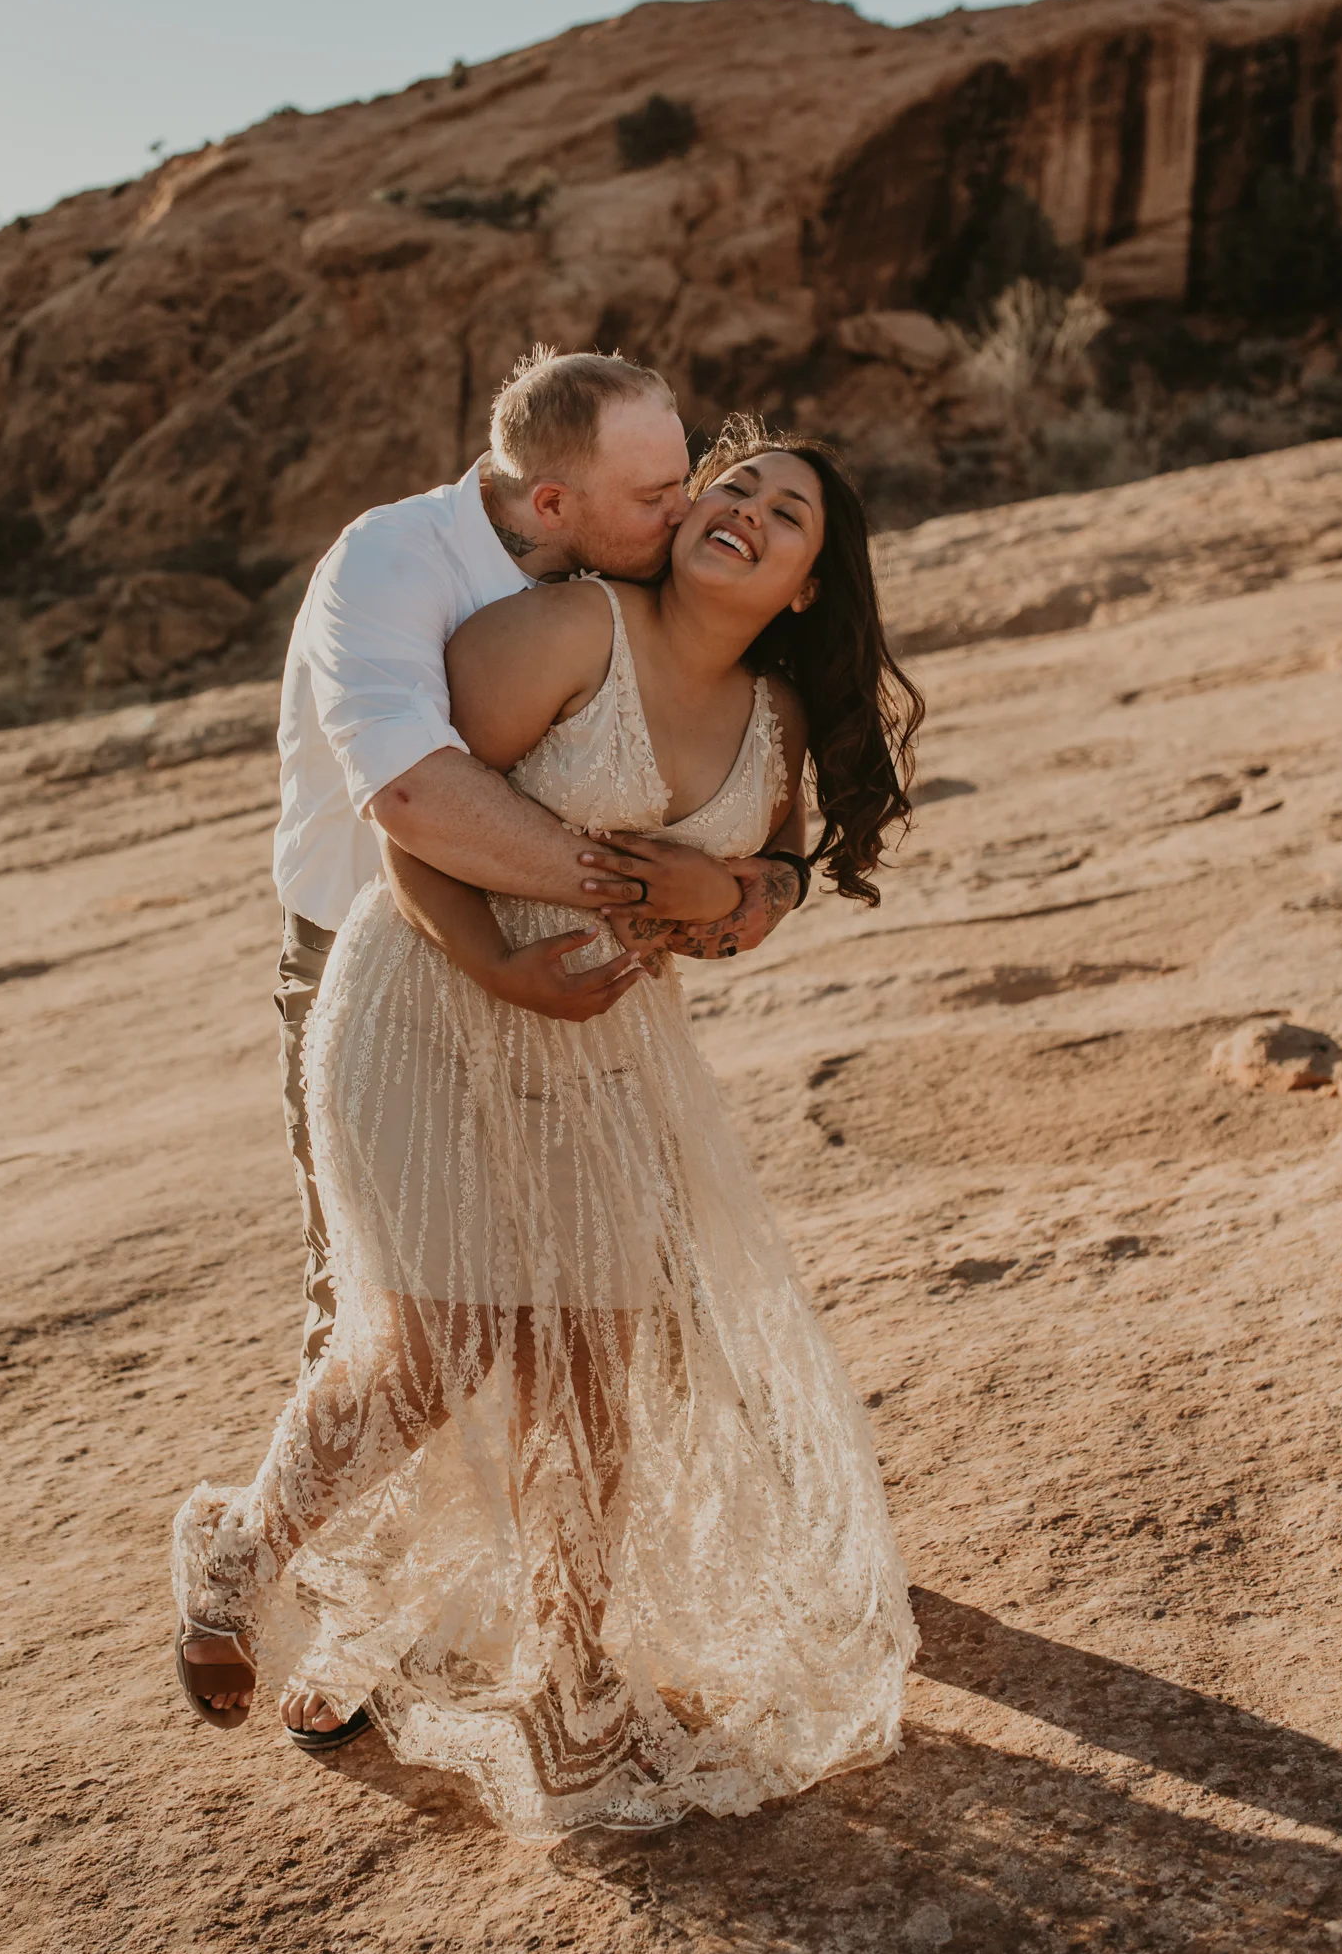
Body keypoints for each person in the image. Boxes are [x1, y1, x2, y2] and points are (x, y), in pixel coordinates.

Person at [172, 409, 924, 1837]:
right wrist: (503, 962)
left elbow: (764, 884)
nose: (746, 513)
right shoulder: (572, 628)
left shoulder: (772, 722)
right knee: (439, 1341)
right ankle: (240, 1550)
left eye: (786, 516)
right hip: (428, 1000)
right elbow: (411, 817)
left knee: (589, 1372)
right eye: (733, 486)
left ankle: (569, 1685)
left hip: (604, 1050)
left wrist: (731, 897)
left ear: (807, 589)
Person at [243, 349, 811, 1750]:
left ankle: (576, 1631)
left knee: (603, 1325)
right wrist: (656, 894)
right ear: (552, 502)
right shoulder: (394, 566)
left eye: (691, 477)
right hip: (381, 963)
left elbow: (783, 825)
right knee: (391, 1313)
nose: (691, 508)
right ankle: (340, 1619)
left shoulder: (652, 597)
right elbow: (412, 797)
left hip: (586, 1010)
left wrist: (749, 890)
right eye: (660, 491)